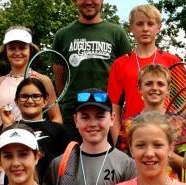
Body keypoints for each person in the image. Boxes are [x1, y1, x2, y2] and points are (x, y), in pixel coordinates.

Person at [52, 0, 132, 137]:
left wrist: (118, 108)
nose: (89, 2)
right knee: (73, 157)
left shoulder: (116, 33)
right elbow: (60, 82)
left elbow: (126, 75)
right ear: (74, 1)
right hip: (73, 115)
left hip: (107, 112)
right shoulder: (62, 35)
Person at [107, 4, 181, 143]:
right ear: (131, 28)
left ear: (158, 27)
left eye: (150, 24)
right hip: (133, 135)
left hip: (166, 136)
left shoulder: (172, 60)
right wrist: (118, 140)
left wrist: (173, 118)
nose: (145, 29)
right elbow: (114, 107)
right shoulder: (120, 64)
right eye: (140, 24)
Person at [115, 64, 186, 176]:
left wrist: (167, 154)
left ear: (168, 89)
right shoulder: (128, 124)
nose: (154, 88)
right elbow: (120, 165)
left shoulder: (179, 123)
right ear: (139, 88)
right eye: (148, 84)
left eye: (160, 84)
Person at [0, 77, 70, 181]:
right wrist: (8, 125)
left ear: (45, 100)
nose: (30, 100)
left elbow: (67, 166)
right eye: (24, 96)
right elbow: (1, 159)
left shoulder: (58, 130)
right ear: (16, 101)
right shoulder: (10, 127)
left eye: (36, 96)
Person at [0, 26, 62, 130]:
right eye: (12, 48)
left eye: (22, 47)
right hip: (4, 143)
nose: (17, 52)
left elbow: (56, 118)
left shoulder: (43, 80)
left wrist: (46, 139)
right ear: (5, 51)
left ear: (30, 50)